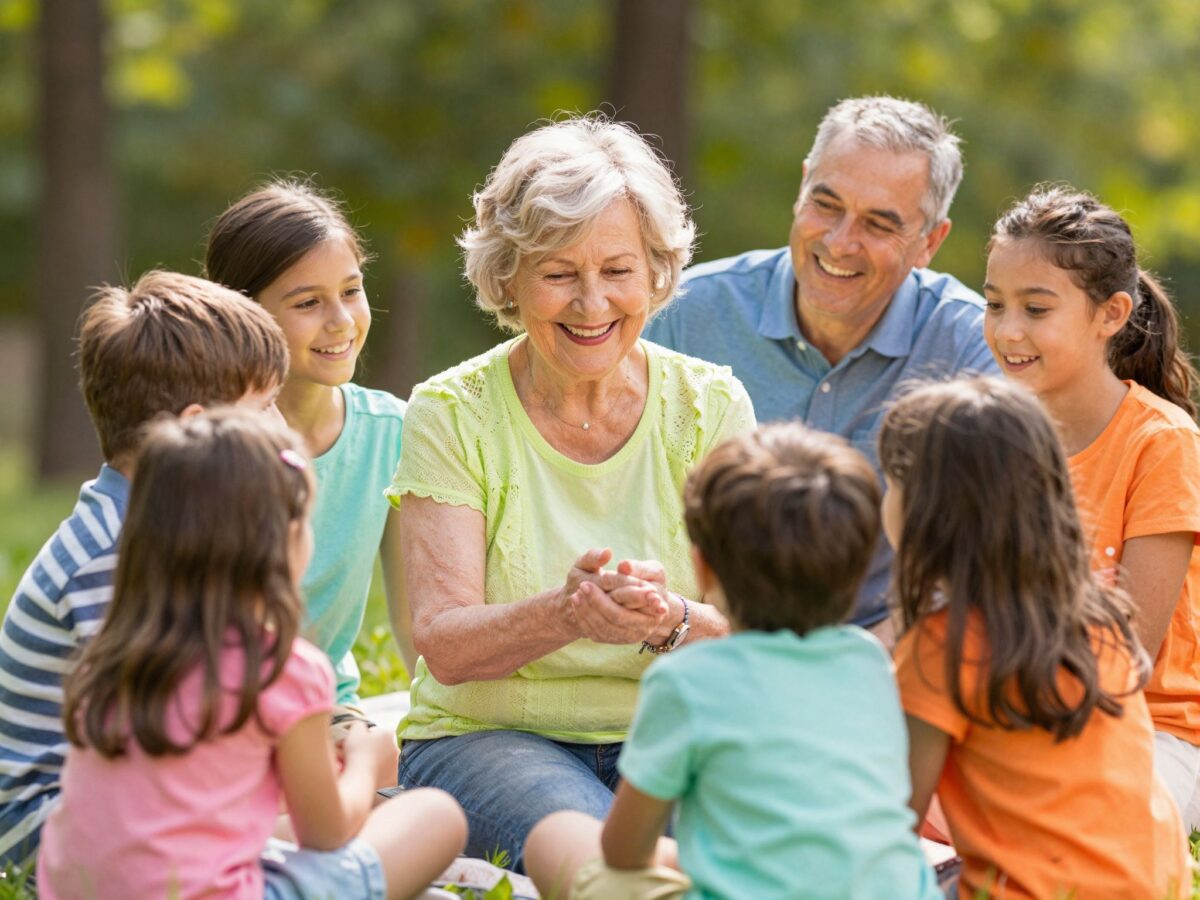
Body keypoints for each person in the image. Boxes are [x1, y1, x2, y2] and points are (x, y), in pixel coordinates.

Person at [388, 114, 756, 870]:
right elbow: (445, 644)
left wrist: (668, 617)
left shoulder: (711, 406)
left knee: (769, 854)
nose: (592, 305)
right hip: (490, 742)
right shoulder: (451, 412)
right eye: (559, 274)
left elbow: (760, 632)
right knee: (607, 865)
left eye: (617, 270)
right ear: (508, 278)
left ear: (655, 270)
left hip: (673, 736)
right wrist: (567, 613)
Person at [36, 410, 466, 899]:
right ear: (284, 542)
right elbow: (326, 833)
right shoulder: (284, 670)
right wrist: (369, 761)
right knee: (435, 815)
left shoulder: (110, 653)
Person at [524, 422, 940, 900]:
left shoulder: (687, 681)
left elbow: (623, 853)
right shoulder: (868, 661)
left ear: (702, 566)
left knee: (555, 838)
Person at [645, 95, 997, 633]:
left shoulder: (976, 350)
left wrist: (855, 675)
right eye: (826, 204)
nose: (839, 242)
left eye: (879, 224)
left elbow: (982, 558)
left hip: (884, 668)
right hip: (696, 646)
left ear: (930, 241)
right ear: (802, 186)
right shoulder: (682, 316)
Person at [0, 271, 289, 868]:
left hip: (116, 812)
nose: (284, 430)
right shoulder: (114, 557)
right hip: (57, 837)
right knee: (381, 822)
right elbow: (170, 752)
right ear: (193, 430)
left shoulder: (153, 530)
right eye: (264, 409)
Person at [879, 378, 1190, 898]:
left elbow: (892, 821)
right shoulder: (1102, 615)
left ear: (924, 508)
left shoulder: (943, 645)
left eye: (891, 482)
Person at [984, 186, 1200, 830]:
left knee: (1063, 821)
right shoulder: (990, 438)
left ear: (1111, 314)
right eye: (994, 305)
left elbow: (1124, 655)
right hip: (1009, 718)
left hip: (1148, 733)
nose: (1008, 330)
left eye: (1036, 308)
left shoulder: (1162, 444)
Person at [205, 178, 415, 704]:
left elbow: (417, 635)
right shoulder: (205, 443)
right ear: (243, 311)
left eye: (350, 290)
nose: (341, 321)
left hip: (328, 709)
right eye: (307, 303)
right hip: (218, 716)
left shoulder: (394, 432)